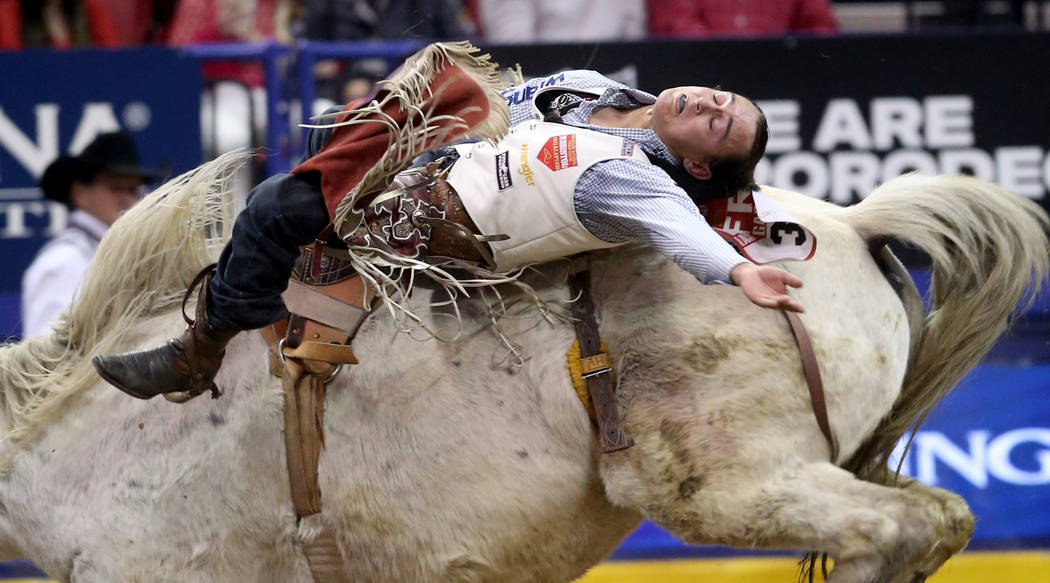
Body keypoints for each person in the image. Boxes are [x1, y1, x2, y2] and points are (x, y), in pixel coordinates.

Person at [92, 44, 803, 404]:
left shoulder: (633, 178)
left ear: (702, 165)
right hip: (431, 169)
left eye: (719, 124)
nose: (711, 103)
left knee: (278, 205)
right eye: (722, 97)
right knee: (340, 140)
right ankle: (299, 321)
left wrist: (739, 269)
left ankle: (201, 348)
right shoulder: (585, 89)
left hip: (445, 226)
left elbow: (682, 228)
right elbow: (493, 110)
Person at [22, 132, 164, 338]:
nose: (126, 199)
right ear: (79, 193)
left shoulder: (107, 255)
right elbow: (46, 358)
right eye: (116, 187)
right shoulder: (64, 262)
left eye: (133, 189)